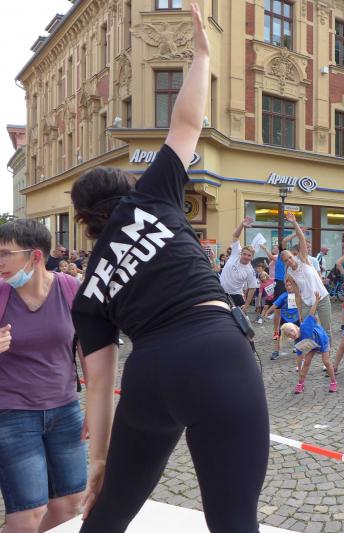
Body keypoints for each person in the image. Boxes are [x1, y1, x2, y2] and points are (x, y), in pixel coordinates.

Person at [69, 7, 269, 531]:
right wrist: (201, 56)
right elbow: (186, 123)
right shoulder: (152, 197)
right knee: (232, 520)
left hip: (150, 375)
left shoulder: (88, 289)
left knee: (109, 514)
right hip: (216, 353)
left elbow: (99, 383)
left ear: (85, 221)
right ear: (125, 190)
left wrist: (98, 463)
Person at [0, 220, 85, 533]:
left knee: (70, 506)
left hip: (65, 411)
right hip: (12, 413)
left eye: (5, 254)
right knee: (28, 515)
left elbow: (88, 350)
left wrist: (96, 410)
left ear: (35, 256)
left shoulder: (70, 288)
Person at [283, 212, 332, 334]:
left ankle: (326, 347)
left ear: (293, 255)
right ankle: (310, 345)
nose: (289, 261)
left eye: (290, 257)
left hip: (322, 297)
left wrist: (294, 222)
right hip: (307, 302)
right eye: (286, 260)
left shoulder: (303, 258)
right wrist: (299, 312)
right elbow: (296, 294)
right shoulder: (289, 274)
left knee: (326, 330)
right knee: (306, 329)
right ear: (285, 262)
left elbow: (301, 238)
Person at [282, 293, 336, 393]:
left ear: (296, 327)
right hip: (312, 346)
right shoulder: (298, 342)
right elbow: (299, 358)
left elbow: (311, 313)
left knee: (326, 361)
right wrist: (299, 370)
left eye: (292, 331)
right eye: (289, 335)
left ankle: (333, 382)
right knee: (306, 362)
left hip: (322, 340)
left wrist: (316, 301)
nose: (292, 334)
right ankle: (300, 383)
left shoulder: (305, 326)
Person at [219, 217, 259, 309]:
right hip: (220, 291)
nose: (246, 257)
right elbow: (235, 236)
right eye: (244, 254)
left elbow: (252, 289)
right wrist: (242, 225)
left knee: (242, 317)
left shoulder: (250, 271)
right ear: (241, 253)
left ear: (252, 257)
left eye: (249, 255)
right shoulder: (236, 252)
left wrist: (246, 305)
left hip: (236, 295)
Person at [260, 276, 301, 362]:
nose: (289, 287)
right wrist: (267, 312)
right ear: (285, 286)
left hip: (296, 318)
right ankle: (276, 351)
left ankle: (298, 348)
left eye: (290, 285)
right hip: (285, 319)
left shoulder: (299, 295)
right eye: (287, 285)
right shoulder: (283, 296)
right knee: (280, 335)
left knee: (298, 334)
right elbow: (275, 305)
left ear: (294, 285)